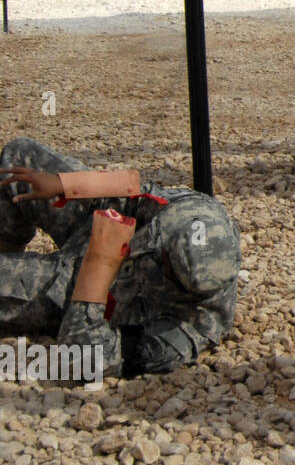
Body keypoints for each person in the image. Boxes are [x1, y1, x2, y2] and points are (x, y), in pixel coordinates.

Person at [0, 137, 240, 377]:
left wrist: (99, 266)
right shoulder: (196, 215)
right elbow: (138, 191)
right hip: (96, 229)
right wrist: (65, 184)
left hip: (78, 290)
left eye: (165, 262)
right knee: (20, 157)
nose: (158, 251)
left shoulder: (191, 328)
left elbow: (85, 358)